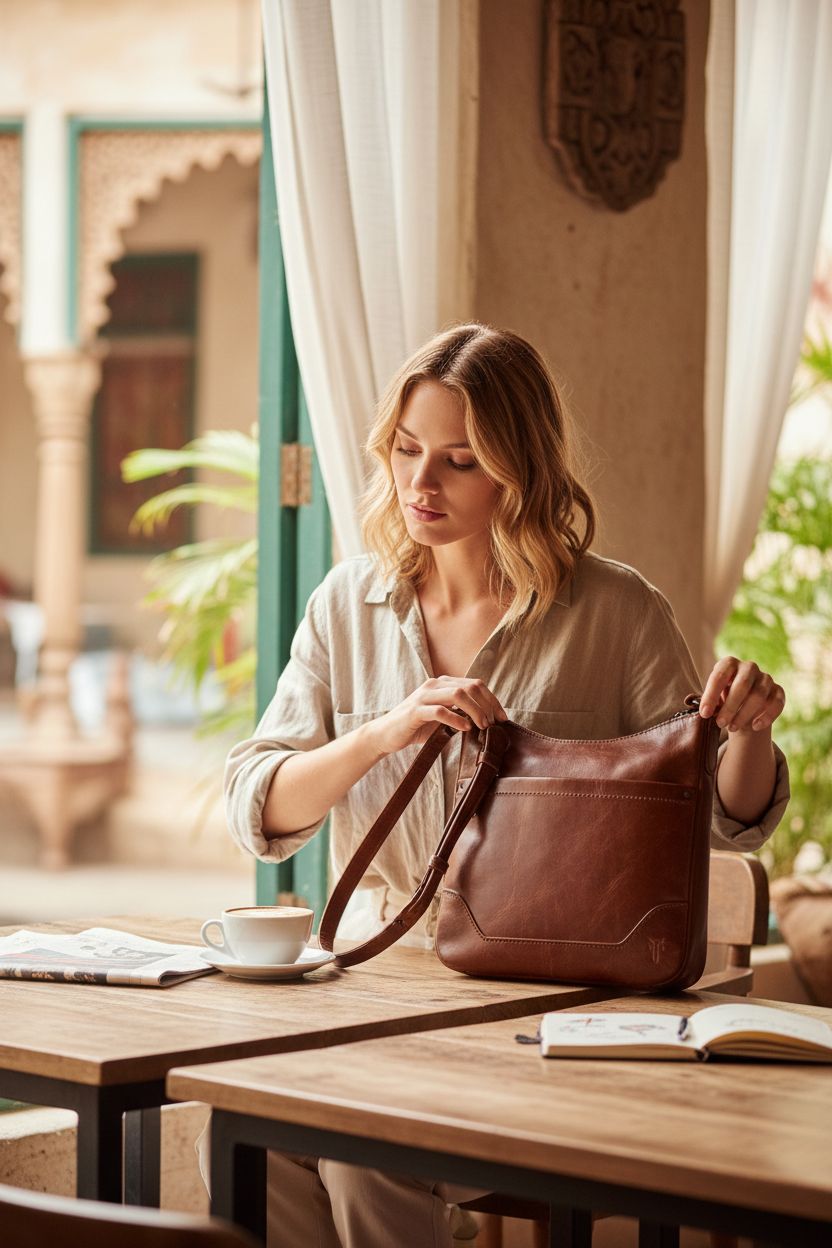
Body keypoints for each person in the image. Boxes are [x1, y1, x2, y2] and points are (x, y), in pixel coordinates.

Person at [223, 323, 790, 1248]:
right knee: (243, 1132)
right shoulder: (344, 604)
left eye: (459, 460)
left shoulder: (615, 611)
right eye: (407, 451)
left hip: (552, 1009)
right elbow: (261, 807)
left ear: (518, 473)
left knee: (360, 1148)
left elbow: (724, 820)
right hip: (380, 992)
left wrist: (749, 734)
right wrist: (387, 728)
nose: (420, 484)